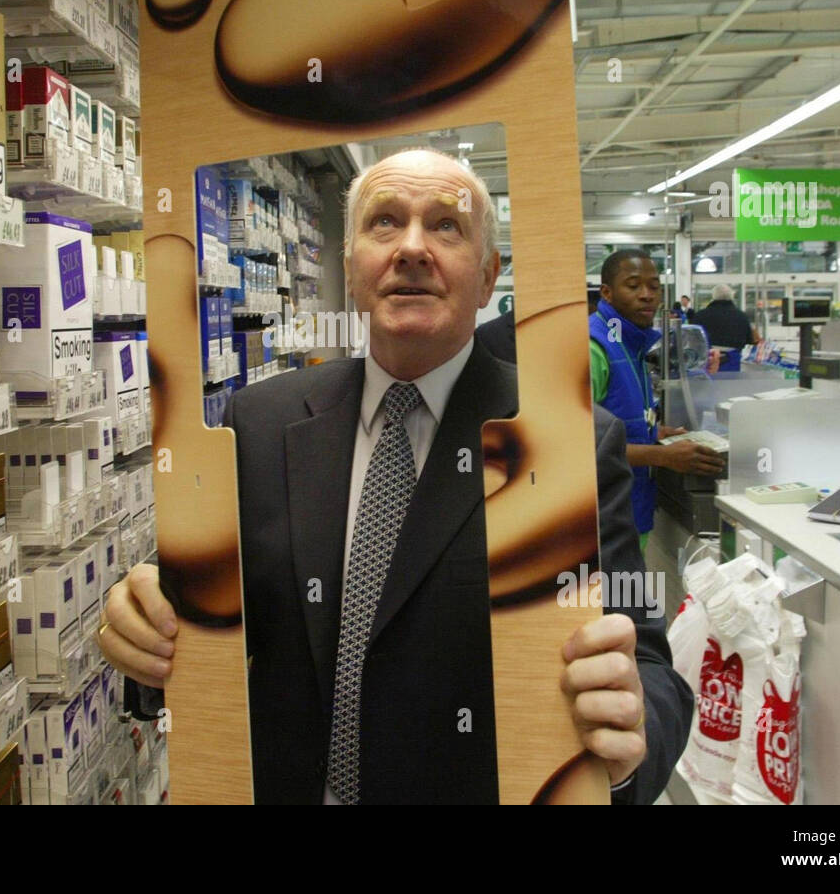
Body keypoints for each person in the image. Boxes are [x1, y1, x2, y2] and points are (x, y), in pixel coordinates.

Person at [102, 150, 691, 804]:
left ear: (489, 272)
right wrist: (144, 638)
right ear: (352, 268)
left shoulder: (567, 443)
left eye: (446, 225)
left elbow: (651, 665)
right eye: (385, 222)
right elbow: (186, 627)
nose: (412, 247)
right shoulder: (260, 424)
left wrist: (630, 736)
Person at [590, 250, 723, 543]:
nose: (647, 295)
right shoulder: (594, 349)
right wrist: (663, 456)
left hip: (628, 512)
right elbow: (575, 449)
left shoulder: (631, 344)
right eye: (634, 285)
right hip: (599, 523)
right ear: (607, 293)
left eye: (654, 286)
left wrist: (651, 432)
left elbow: (611, 422)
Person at [689, 284, 760, 349]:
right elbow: (750, 340)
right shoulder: (742, 316)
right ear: (732, 297)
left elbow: (692, 338)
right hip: (733, 359)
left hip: (709, 358)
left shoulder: (700, 315)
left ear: (713, 296)